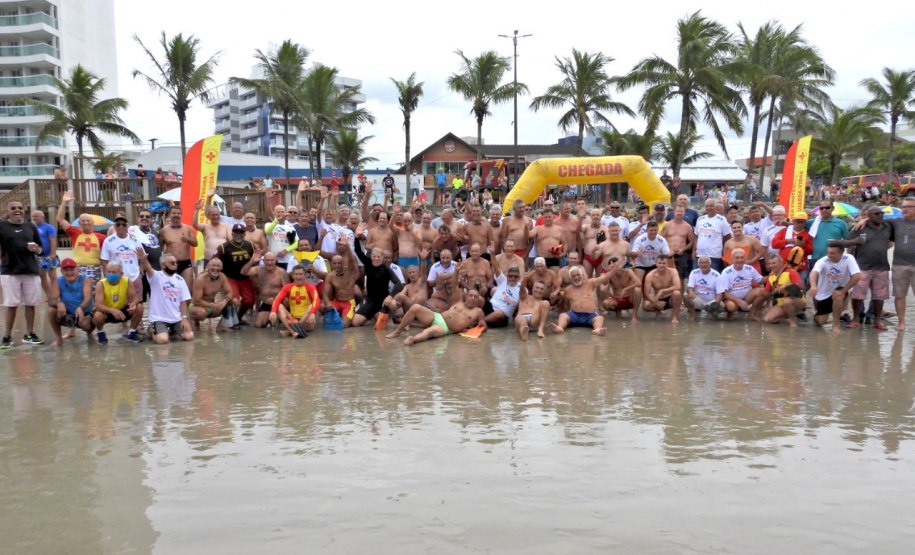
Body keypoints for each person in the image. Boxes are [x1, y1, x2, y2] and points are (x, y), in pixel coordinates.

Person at [386, 261, 486, 346]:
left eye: (475, 297)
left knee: (429, 332)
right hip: (437, 317)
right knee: (415, 307)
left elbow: (484, 325)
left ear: (477, 300)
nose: (472, 298)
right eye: (471, 295)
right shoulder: (459, 300)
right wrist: (456, 271)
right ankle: (397, 331)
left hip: (446, 327)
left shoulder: (478, 311)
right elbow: (455, 285)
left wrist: (482, 324)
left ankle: (413, 339)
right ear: (467, 296)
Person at [1, 200, 46, 347]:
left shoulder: (30, 226)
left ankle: (29, 334)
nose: (17, 210)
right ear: (8, 211)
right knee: (11, 305)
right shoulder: (1, 225)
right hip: (10, 271)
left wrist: (37, 250)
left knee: (30, 304)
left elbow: (41, 248)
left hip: (30, 270)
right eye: (13, 208)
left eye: (20, 208)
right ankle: (7, 336)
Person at [843, 205, 893, 330]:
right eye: (876, 214)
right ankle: (855, 319)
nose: (880, 215)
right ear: (869, 216)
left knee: (880, 296)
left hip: (882, 266)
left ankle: (876, 321)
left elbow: (893, 238)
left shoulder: (887, 227)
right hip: (862, 266)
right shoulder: (860, 227)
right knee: (858, 294)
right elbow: (846, 241)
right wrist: (854, 243)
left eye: (881, 213)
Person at [136, 248, 194, 343]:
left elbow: (183, 300)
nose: (175, 265)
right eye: (172, 263)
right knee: (163, 340)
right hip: (159, 318)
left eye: (176, 263)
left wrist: (184, 318)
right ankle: (151, 330)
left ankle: (172, 331)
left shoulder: (180, 279)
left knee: (189, 336)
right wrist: (143, 259)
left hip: (176, 318)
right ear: (163, 265)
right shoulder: (156, 276)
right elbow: (148, 268)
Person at [808, 241, 861, 334]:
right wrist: (813, 286)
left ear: (841, 253)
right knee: (821, 321)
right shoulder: (823, 261)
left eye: (832, 253)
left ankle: (835, 325)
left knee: (838, 296)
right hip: (824, 293)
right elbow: (813, 273)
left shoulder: (849, 258)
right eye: (828, 252)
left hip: (841, 287)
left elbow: (857, 276)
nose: (829, 255)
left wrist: (843, 291)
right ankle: (819, 315)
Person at [57, 190, 107, 286]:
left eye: (88, 220)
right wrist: (64, 202)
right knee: (78, 293)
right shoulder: (75, 233)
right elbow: (60, 219)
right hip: (77, 268)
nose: (86, 222)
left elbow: (106, 256)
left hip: (94, 268)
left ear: (93, 222)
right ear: (79, 223)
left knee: (93, 294)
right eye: (83, 221)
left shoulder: (101, 237)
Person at [549, 265, 614, 335]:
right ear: (570, 278)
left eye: (578, 275)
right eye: (573, 276)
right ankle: (560, 327)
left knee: (599, 318)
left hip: (590, 315)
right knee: (563, 316)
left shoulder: (590, 283)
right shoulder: (568, 289)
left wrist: (615, 269)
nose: (576, 277)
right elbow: (566, 304)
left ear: (582, 275)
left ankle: (597, 329)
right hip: (574, 315)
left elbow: (604, 278)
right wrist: (562, 319)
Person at [351, 240, 403, 327]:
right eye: (374, 256)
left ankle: (389, 318)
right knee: (355, 322)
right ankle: (374, 316)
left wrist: (390, 297)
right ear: (371, 257)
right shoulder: (368, 264)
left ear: (382, 258)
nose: (376, 259)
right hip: (371, 301)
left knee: (393, 304)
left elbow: (398, 283)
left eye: (378, 257)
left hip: (384, 301)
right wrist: (356, 237)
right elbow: (358, 251)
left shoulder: (386, 269)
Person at [215, 224, 258, 326]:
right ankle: (229, 323)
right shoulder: (223, 247)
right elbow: (214, 260)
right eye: (236, 232)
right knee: (234, 300)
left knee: (250, 300)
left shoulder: (250, 245)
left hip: (245, 278)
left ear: (244, 234)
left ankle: (238, 318)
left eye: (241, 233)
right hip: (230, 278)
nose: (238, 235)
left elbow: (255, 261)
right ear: (232, 234)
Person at [91, 261, 144, 343]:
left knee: (139, 307)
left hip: (122, 310)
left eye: (114, 272)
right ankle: (101, 333)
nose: (111, 274)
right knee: (97, 315)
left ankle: (132, 332)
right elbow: (98, 305)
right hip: (106, 312)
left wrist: (133, 304)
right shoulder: (101, 284)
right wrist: (112, 310)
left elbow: (134, 297)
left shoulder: (127, 281)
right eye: (108, 272)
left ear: (121, 274)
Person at [47, 258, 93, 347]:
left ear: (77, 269)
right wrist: (59, 303)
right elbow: (51, 300)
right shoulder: (58, 281)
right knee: (51, 310)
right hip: (68, 313)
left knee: (85, 325)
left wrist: (81, 307)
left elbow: (88, 298)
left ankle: (89, 333)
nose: (69, 272)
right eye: (65, 270)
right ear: (61, 271)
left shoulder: (85, 279)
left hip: (85, 312)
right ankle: (59, 338)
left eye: (72, 269)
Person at [100, 214, 142, 301]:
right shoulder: (108, 241)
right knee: (119, 304)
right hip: (116, 278)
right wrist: (107, 277)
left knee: (137, 305)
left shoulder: (135, 240)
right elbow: (104, 261)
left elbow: (142, 258)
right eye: (118, 224)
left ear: (128, 227)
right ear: (114, 227)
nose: (121, 226)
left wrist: (141, 274)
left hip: (134, 277)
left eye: (124, 224)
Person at [269, 265, 320, 337]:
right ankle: (293, 332)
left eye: (301, 274)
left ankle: (290, 331)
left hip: (307, 321)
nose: (298, 276)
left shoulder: (311, 287)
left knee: (312, 306)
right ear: (293, 276)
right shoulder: (287, 287)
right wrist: (273, 311)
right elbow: (277, 299)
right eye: (296, 274)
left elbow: (316, 300)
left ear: (305, 275)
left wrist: (312, 313)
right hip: (292, 319)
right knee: (279, 306)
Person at [716, 249, 766, 320]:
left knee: (763, 292)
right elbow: (724, 292)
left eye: (742, 257)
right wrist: (739, 301)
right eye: (737, 258)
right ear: (732, 259)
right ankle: (730, 314)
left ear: (745, 258)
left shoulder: (750, 268)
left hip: (747, 296)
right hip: (732, 298)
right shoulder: (726, 272)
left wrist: (773, 275)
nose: (740, 260)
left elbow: (761, 280)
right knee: (731, 306)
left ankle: (752, 314)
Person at [246, 251, 289, 328]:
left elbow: (287, 291)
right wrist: (251, 261)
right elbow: (243, 272)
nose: (269, 263)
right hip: (267, 303)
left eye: (272, 260)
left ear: (276, 260)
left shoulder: (282, 272)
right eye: (267, 260)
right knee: (258, 325)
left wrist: (276, 300)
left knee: (286, 300)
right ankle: (270, 318)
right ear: (263, 260)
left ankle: (282, 317)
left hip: (280, 303)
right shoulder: (258, 270)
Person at [762, 253, 806, 327]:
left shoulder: (790, 272)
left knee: (787, 301)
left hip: (797, 300)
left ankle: (793, 322)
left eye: (774, 263)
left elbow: (801, 286)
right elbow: (766, 293)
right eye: (770, 264)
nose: (772, 265)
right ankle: (789, 314)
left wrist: (786, 285)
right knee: (768, 320)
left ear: (780, 263)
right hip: (781, 303)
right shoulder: (771, 277)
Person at [158, 205, 198, 285]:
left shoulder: (188, 228)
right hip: (170, 263)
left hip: (185, 263)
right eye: (174, 213)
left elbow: (195, 243)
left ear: (181, 215)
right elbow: (160, 248)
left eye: (178, 213)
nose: (176, 215)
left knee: (188, 289)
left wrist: (188, 239)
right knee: (172, 288)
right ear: (170, 215)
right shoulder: (164, 231)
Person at [323, 239, 360, 327]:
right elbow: (325, 294)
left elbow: (351, 260)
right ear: (332, 264)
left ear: (343, 263)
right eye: (335, 263)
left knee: (343, 325)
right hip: (337, 302)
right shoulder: (330, 276)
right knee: (321, 307)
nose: (337, 265)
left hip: (349, 302)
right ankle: (339, 314)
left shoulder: (349, 271)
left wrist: (347, 246)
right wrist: (327, 303)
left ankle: (350, 315)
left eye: (339, 263)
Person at [771, 212, 814, 284]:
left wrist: (803, 246)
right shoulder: (784, 231)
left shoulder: (808, 234)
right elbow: (774, 244)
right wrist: (788, 241)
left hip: (801, 266)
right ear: (793, 221)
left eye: (802, 222)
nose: (800, 224)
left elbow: (811, 250)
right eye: (798, 222)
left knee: (799, 286)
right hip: (784, 265)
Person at [661, 205, 696, 287]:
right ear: (674, 212)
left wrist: (683, 249)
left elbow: (692, 242)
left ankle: (679, 299)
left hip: (681, 254)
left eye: (681, 211)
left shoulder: (687, 226)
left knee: (680, 280)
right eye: (678, 211)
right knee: (667, 278)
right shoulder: (667, 225)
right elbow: (660, 239)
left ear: (684, 213)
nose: (679, 213)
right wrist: (667, 250)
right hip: (669, 254)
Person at [641, 254, 683, 323]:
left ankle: (674, 316)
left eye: (664, 263)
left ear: (667, 264)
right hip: (658, 298)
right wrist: (656, 302)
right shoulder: (650, 275)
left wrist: (663, 290)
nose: (661, 265)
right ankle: (658, 311)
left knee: (677, 293)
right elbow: (646, 293)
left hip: (670, 299)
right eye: (659, 263)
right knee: (645, 305)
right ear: (656, 264)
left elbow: (678, 286)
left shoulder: (673, 271)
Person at [600, 256, 642, 322]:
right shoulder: (610, 274)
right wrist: (610, 272)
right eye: (615, 267)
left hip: (630, 299)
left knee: (637, 290)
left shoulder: (628, 271)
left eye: (619, 266)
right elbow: (604, 283)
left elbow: (639, 283)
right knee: (605, 303)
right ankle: (617, 311)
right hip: (618, 299)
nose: (618, 269)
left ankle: (634, 316)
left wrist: (626, 289)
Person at [806, 201, 848, 268]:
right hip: (815, 259)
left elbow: (847, 240)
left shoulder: (841, 223)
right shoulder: (812, 222)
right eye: (821, 208)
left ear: (832, 208)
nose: (824, 210)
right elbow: (796, 224)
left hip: (834, 259)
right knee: (814, 278)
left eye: (827, 208)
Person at [693, 199, 731, 272]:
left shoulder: (722, 220)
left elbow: (728, 238)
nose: (709, 208)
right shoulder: (700, 219)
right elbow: (696, 236)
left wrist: (726, 255)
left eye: (711, 206)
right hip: (699, 255)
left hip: (715, 256)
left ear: (715, 207)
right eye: (707, 206)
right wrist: (693, 251)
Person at [482, 263, 521, 328]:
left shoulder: (521, 288)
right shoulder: (503, 280)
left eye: (515, 276)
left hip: (502, 316)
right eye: (510, 276)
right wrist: (492, 254)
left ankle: (479, 322)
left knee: (499, 313)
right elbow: (496, 267)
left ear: (519, 277)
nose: (513, 278)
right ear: (507, 276)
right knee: (479, 299)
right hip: (491, 306)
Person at [685, 256, 723, 320]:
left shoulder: (717, 275)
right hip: (698, 298)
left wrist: (715, 304)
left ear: (710, 264)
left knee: (721, 306)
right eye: (701, 263)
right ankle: (693, 315)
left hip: (711, 300)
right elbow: (690, 287)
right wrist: (691, 292)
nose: (704, 264)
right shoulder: (693, 272)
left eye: (706, 263)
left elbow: (720, 293)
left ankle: (714, 316)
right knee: (685, 296)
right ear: (698, 264)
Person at [31, 209, 58, 297]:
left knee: (53, 276)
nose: (34, 218)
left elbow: (53, 241)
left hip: (48, 255)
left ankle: (56, 295)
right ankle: (49, 295)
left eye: (36, 216)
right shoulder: (33, 227)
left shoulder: (49, 227)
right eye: (33, 216)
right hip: (38, 256)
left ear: (42, 217)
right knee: (42, 276)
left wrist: (52, 254)